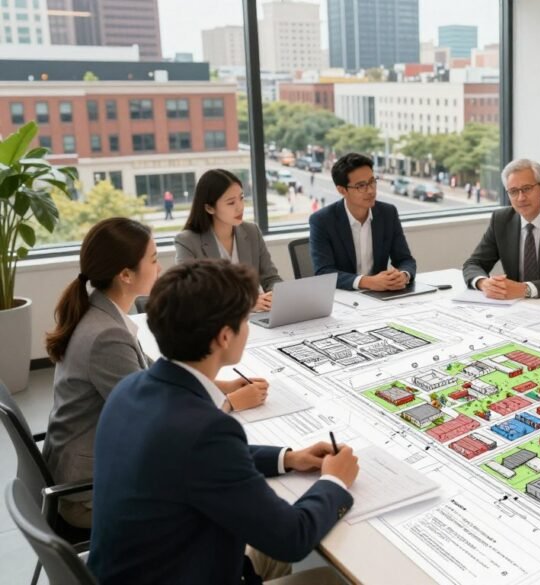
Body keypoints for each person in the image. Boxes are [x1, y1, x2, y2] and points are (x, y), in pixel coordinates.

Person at [88, 260, 359, 585]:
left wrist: (288, 458)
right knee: (328, 579)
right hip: (180, 571)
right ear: (224, 337)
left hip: (136, 568)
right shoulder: (206, 431)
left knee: (266, 554)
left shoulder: (130, 388)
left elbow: (195, 458)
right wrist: (334, 482)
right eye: (245, 319)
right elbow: (292, 538)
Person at [42, 219, 267, 529]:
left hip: (89, 464)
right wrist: (230, 403)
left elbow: (153, 376)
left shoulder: (103, 312)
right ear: (125, 275)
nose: (160, 267)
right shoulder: (106, 336)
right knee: (221, 500)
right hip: (89, 494)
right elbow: (154, 424)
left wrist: (223, 385)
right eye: (152, 259)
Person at [463, 159, 540, 300]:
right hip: (515, 306)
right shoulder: (501, 220)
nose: (521, 198)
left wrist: (524, 289)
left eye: (527, 188)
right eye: (513, 191)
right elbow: (473, 263)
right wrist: (483, 283)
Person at [174, 169, 281, 312]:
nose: (240, 207)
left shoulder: (252, 231)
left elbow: (271, 278)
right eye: (231, 203)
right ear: (209, 208)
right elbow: (191, 296)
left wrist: (274, 295)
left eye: (241, 198)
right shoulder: (187, 241)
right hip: (215, 324)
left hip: (257, 320)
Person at [309, 152, 417, 291]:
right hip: (343, 299)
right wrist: (367, 282)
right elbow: (323, 272)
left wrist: (403, 275)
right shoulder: (322, 221)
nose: (371, 190)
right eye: (361, 186)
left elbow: (405, 260)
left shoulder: (388, 213)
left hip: (380, 297)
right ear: (342, 190)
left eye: (372, 182)